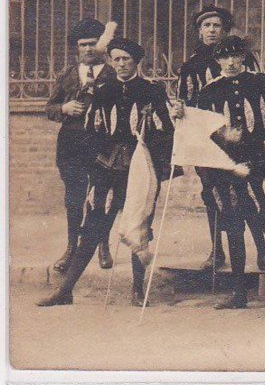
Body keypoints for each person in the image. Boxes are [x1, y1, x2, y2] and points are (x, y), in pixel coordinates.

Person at [37, 37, 175, 307]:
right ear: (110, 61)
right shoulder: (101, 90)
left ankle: (137, 290)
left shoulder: (152, 91)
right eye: (116, 59)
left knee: (139, 225)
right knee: (93, 226)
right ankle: (66, 290)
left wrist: (151, 150)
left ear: (137, 62)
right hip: (106, 168)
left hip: (140, 167)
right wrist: (97, 160)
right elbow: (89, 130)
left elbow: (166, 131)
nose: (121, 64)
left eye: (126, 59)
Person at [178, 36, 265, 313]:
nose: (230, 62)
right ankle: (239, 294)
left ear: (243, 58)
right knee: (234, 230)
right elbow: (197, 128)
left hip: (259, 167)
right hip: (226, 170)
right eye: (224, 57)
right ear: (217, 61)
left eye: (235, 56)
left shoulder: (261, 83)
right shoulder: (208, 91)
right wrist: (181, 115)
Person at [177, 5, 262, 271]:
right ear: (199, 31)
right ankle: (217, 250)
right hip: (208, 142)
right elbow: (186, 104)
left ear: (224, 30)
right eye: (206, 26)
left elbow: (258, 94)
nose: (212, 30)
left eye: (216, 25)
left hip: (243, 140)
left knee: (251, 192)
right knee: (212, 194)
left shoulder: (243, 58)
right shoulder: (191, 66)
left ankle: (263, 251)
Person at [46, 18, 115, 273]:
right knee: (74, 199)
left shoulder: (113, 74)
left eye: (93, 43)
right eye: (83, 44)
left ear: (102, 45)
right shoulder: (67, 74)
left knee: (100, 197)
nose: (88, 49)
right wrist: (64, 108)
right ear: (77, 47)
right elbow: (49, 107)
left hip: (102, 144)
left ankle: (103, 245)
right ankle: (71, 248)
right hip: (71, 144)